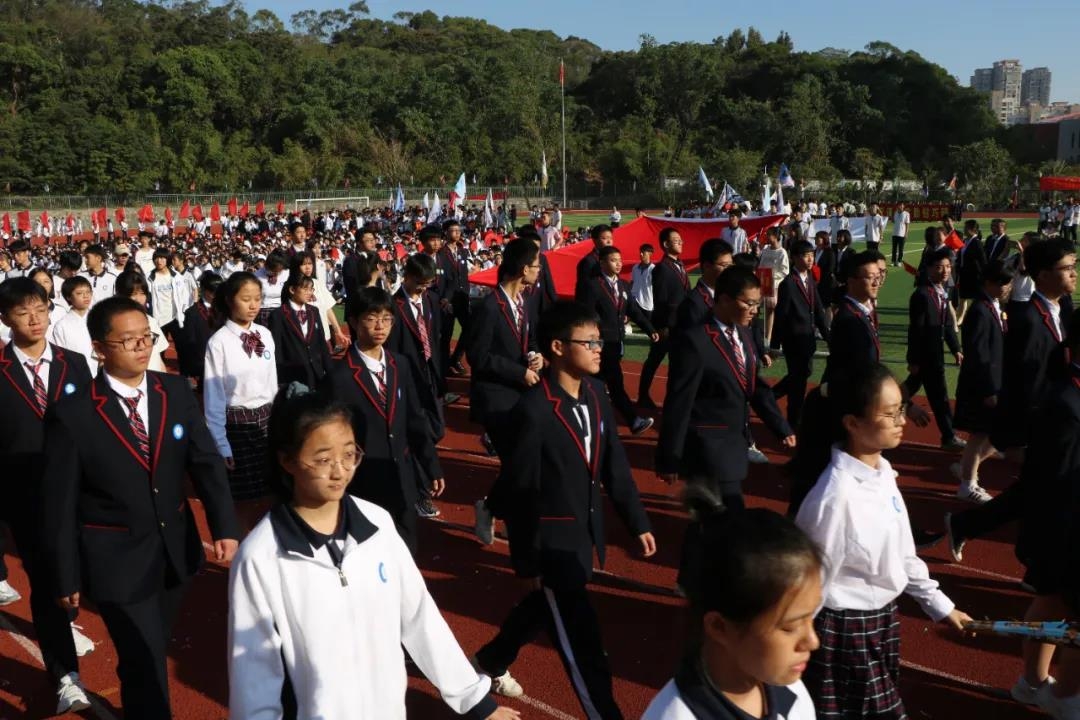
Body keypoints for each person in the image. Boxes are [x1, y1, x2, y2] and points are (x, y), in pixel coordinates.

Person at [227, 387, 518, 720]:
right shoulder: (262, 556)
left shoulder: (377, 524)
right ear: (287, 459)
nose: (339, 470)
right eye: (323, 459)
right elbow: (254, 673)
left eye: (349, 454)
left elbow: (419, 616)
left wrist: (475, 701)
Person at [40, 296, 240, 720]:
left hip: (175, 551)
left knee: (148, 649)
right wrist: (65, 573)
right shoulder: (73, 414)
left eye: (145, 337)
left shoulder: (173, 391)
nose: (141, 347)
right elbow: (59, 503)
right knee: (147, 657)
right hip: (115, 560)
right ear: (99, 348)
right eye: (127, 340)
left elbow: (203, 460)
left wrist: (224, 526)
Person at [473, 301, 656, 718]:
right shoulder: (534, 410)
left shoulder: (596, 395)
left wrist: (637, 521)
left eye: (599, 341)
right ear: (558, 347)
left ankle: (490, 661)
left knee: (544, 609)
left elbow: (615, 466)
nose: (598, 349)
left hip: (582, 533)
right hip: (550, 544)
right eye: (588, 342)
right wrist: (525, 560)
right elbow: (520, 484)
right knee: (583, 641)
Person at [793, 363, 971, 720]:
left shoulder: (883, 472)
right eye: (890, 414)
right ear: (852, 423)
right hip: (845, 631)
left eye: (902, 410)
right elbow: (810, 579)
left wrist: (940, 605)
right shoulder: (835, 496)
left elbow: (904, 554)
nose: (901, 421)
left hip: (883, 620)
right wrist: (791, 643)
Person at [657, 266, 795, 586]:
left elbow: (754, 386)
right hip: (707, 447)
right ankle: (725, 585)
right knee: (730, 515)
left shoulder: (744, 334)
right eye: (749, 304)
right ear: (724, 300)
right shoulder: (696, 340)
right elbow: (679, 402)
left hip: (734, 443)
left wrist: (780, 427)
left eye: (757, 305)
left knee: (709, 516)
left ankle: (689, 578)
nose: (754, 311)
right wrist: (668, 457)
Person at [946, 239, 1076, 562]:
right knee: (1047, 492)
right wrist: (1023, 434)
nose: (1074, 274)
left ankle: (965, 526)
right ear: (1043, 275)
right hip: (1045, 424)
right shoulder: (1030, 319)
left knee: (1032, 492)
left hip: (1055, 421)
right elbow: (1027, 383)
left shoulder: (1059, 310)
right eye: (1067, 268)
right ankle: (1037, 566)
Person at [0, 278, 95, 713]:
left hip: (81, 489)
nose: (34, 319)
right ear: (5, 319)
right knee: (45, 581)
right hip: (27, 497)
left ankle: (69, 617)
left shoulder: (74, 364)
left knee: (85, 572)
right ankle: (64, 674)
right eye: (22, 312)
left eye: (40, 309)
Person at [642, 503, 821, 720]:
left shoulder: (791, 691)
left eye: (811, 617)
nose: (813, 641)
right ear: (719, 627)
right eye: (790, 627)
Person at [322, 287, 443, 553]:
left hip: (402, 475)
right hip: (364, 481)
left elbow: (414, 419)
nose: (380, 326)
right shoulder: (339, 377)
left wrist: (431, 465)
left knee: (406, 547)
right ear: (353, 321)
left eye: (387, 318)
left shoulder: (400, 364)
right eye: (372, 317)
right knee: (369, 551)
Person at [469, 239, 542, 543]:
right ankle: (496, 511)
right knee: (518, 462)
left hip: (521, 394)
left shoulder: (525, 302)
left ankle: (495, 508)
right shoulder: (489, 306)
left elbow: (530, 341)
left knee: (524, 460)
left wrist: (537, 355)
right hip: (496, 397)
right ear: (524, 269)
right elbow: (477, 356)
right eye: (537, 266)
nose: (539, 272)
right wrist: (518, 372)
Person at [203, 271, 278, 518]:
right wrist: (221, 444)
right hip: (237, 426)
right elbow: (214, 397)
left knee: (273, 493)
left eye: (257, 298)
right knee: (245, 503)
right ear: (229, 300)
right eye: (246, 298)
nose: (253, 305)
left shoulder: (265, 335)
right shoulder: (219, 342)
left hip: (268, 422)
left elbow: (272, 383)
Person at [577, 245, 658, 434]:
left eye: (620, 260)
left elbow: (633, 310)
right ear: (602, 262)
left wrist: (649, 329)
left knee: (599, 382)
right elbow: (586, 315)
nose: (618, 264)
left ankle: (588, 418)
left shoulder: (623, 285)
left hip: (616, 342)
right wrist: (592, 341)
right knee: (612, 382)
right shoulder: (593, 285)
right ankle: (632, 421)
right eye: (614, 260)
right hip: (598, 342)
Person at [952, 261, 1013, 503]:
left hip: (994, 380)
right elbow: (978, 353)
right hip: (981, 384)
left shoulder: (995, 306)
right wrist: (988, 389)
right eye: (1004, 282)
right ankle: (968, 483)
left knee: (995, 434)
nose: (1008, 287)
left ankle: (967, 468)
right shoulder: (979, 310)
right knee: (980, 434)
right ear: (989, 283)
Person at [903, 249, 964, 450]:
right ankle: (948, 436)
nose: (945, 271)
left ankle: (886, 405)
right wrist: (913, 359)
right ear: (928, 269)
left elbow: (946, 325)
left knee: (909, 390)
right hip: (925, 357)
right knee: (940, 397)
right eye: (939, 267)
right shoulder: (921, 295)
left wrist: (956, 348)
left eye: (948, 266)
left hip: (934, 355)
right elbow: (916, 329)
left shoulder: (941, 292)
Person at [772, 240, 830, 429]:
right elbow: (781, 315)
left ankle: (771, 396)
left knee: (803, 374)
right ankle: (794, 419)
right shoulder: (788, 284)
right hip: (793, 340)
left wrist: (830, 338)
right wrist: (774, 344)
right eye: (806, 255)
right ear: (795, 258)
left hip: (808, 339)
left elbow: (819, 311)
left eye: (812, 255)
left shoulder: (810, 280)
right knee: (798, 381)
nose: (810, 258)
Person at [639, 227, 690, 408]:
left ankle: (673, 399)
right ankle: (643, 395)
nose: (680, 242)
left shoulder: (681, 266)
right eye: (676, 240)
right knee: (654, 360)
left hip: (681, 325)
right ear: (666, 244)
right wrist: (662, 326)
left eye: (681, 240)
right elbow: (660, 300)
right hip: (667, 327)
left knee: (678, 365)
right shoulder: (661, 268)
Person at [268, 272, 332, 388]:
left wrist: (330, 371)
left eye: (311, 289)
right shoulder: (278, 315)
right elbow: (277, 349)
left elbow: (321, 343)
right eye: (305, 289)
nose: (309, 293)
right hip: (293, 375)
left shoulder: (314, 311)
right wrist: (281, 378)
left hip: (317, 372)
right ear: (292, 289)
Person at [114, 270, 171, 372]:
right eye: (133, 294)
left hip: (154, 381)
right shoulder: (111, 324)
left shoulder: (151, 321)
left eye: (142, 293)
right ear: (120, 295)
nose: (138, 299)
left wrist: (164, 382)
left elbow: (157, 358)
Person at [176, 271, 221, 390]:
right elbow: (189, 341)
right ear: (204, 290)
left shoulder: (225, 310)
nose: (216, 295)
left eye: (219, 292)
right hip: (202, 360)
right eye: (212, 292)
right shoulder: (192, 312)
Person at [51, 276, 97, 376]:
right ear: (68, 297)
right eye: (79, 293)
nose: (86, 296)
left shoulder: (99, 318)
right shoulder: (62, 325)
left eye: (88, 292)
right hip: (76, 374)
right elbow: (61, 356)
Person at [757, 227, 789, 346]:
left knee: (770, 310)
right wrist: (761, 275)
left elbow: (785, 271)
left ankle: (768, 337)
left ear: (776, 237)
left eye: (769, 235)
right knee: (756, 307)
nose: (767, 237)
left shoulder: (782, 252)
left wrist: (771, 276)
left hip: (774, 285)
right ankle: (757, 332)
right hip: (763, 283)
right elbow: (761, 265)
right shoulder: (765, 250)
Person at [955, 219, 987, 324]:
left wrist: (983, 276)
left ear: (972, 230)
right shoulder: (965, 241)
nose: (964, 229)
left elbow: (983, 261)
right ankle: (960, 318)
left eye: (966, 227)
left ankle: (975, 318)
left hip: (974, 276)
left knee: (975, 299)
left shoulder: (977, 243)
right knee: (963, 297)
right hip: (964, 274)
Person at [574, 224, 614, 302]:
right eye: (604, 238)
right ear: (594, 240)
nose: (609, 241)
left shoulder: (614, 259)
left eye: (611, 238)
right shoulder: (588, 262)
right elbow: (582, 289)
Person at [630, 243, 655, 323]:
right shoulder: (635, 267)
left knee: (649, 325)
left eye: (643, 252)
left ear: (650, 254)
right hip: (635, 299)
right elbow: (633, 282)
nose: (641, 254)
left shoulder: (653, 269)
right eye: (640, 252)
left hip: (647, 303)